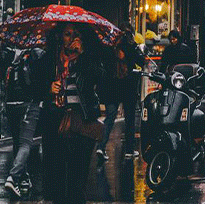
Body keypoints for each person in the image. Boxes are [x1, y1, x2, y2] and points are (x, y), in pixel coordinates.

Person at [37, 23, 103, 204]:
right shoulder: (49, 59)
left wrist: (83, 56)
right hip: (55, 120)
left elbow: (101, 78)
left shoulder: (87, 58)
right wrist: (48, 87)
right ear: (59, 36)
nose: (72, 38)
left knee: (77, 179)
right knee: (56, 176)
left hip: (81, 119)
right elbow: (34, 87)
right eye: (67, 34)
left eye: (76, 34)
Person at [96, 22, 146, 162]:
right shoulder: (131, 46)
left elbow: (105, 64)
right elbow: (141, 61)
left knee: (110, 117)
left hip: (112, 87)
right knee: (130, 118)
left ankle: (101, 146)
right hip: (127, 86)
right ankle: (129, 150)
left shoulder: (110, 45)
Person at [4, 46, 44, 197]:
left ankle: (23, 178)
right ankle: (13, 177)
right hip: (28, 103)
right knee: (25, 143)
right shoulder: (36, 55)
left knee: (17, 142)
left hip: (10, 104)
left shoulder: (13, 57)